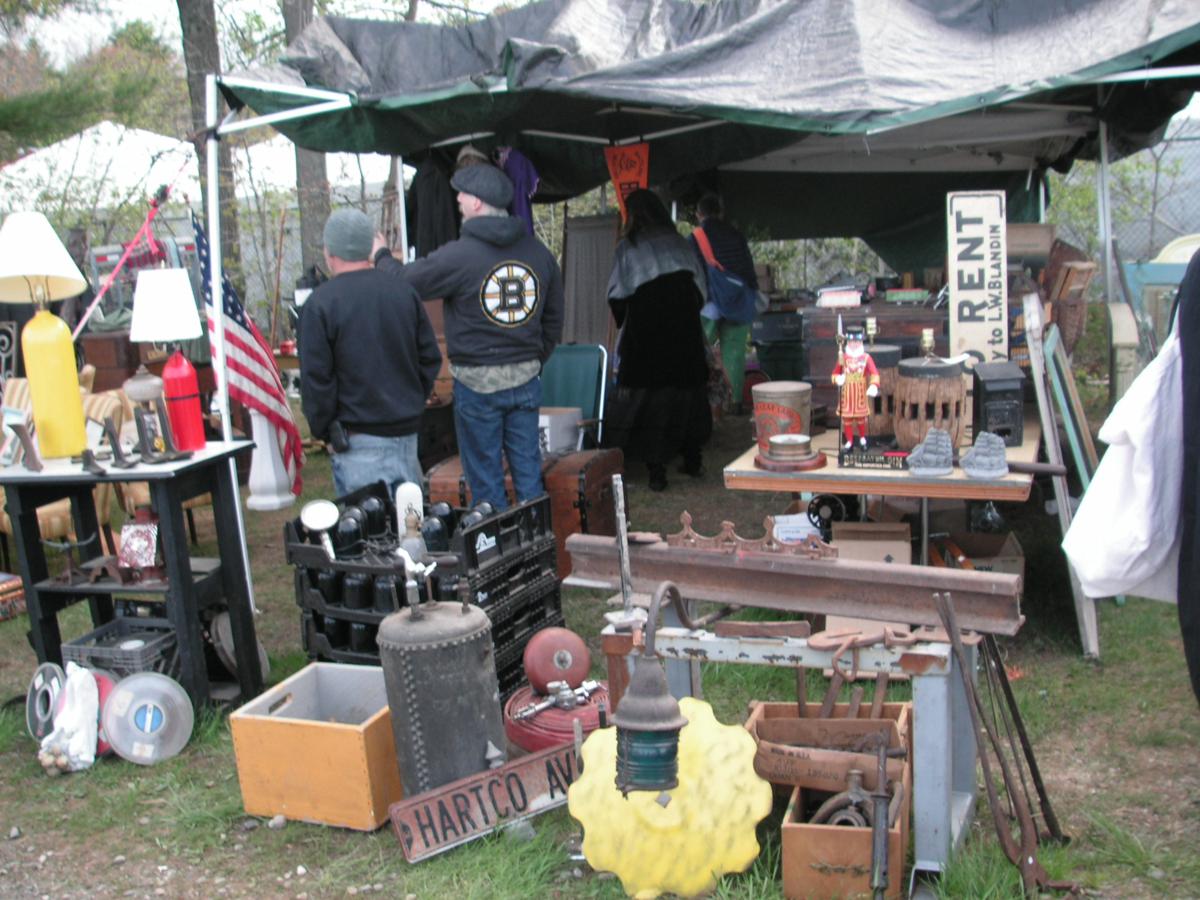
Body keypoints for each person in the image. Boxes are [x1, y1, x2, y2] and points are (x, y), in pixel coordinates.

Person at [375, 163, 564, 510]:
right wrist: (534, 360)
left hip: (477, 388)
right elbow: (554, 320)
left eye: (462, 195)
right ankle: (538, 542)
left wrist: (381, 255)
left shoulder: (459, 256)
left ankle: (496, 544)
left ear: (477, 203)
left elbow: (403, 281)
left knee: (487, 484)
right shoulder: (539, 254)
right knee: (529, 477)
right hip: (526, 381)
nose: (458, 200)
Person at [300, 208, 442, 498]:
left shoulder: (320, 304)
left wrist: (324, 430)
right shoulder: (402, 292)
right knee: (410, 521)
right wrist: (412, 401)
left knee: (373, 525)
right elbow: (429, 357)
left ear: (329, 252)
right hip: (405, 434)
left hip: (359, 442)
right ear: (369, 248)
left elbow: (316, 381)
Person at [605, 188, 711, 491]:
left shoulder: (629, 246)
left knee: (650, 399)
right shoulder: (679, 242)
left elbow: (617, 293)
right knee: (688, 393)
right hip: (683, 326)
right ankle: (692, 459)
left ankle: (656, 471)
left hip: (647, 328)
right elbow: (700, 289)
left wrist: (625, 317)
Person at [689, 193, 759, 413]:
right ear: (720, 212)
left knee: (699, 351)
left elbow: (693, 271)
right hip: (737, 302)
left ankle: (702, 403)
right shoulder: (736, 235)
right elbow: (748, 269)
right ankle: (735, 402)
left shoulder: (696, 237)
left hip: (708, 303)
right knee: (735, 353)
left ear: (699, 214)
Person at [831, 322, 879, 451]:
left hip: (860, 393)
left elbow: (874, 373)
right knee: (847, 419)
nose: (854, 344)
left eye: (857, 342)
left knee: (861, 418)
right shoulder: (843, 358)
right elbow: (834, 374)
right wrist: (838, 379)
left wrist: (874, 385)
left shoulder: (866, 358)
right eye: (851, 342)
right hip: (847, 394)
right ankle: (849, 442)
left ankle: (862, 439)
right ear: (848, 342)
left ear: (861, 342)